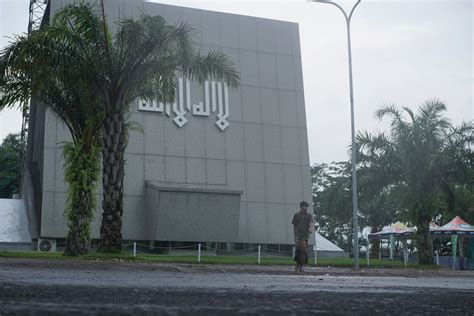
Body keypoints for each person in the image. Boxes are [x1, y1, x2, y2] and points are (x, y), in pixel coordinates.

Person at [292, 201, 314, 272]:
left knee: (304, 251)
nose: (306, 208)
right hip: (299, 236)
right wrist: (295, 236)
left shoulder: (309, 215)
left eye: (307, 206)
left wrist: (310, 230)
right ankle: (298, 266)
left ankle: (300, 266)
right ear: (301, 207)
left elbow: (310, 223)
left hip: (306, 236)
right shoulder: (296, 215)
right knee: (299, 251)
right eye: (305, 206)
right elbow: (294, 226)